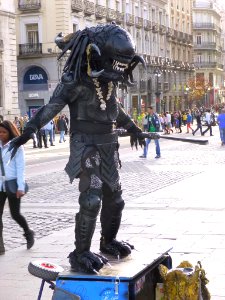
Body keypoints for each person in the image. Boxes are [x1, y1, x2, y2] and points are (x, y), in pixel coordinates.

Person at [9, 24, 146, 273]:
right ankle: (81, 252)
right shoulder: (75, 81)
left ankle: (108, 241)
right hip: (86, 146)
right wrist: (29, 129)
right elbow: (51, 107)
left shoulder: (108, 82)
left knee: (116, 198)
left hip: (108, 145)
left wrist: (134, 127)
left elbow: (114, 109)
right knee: (92, 199)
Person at [0, 121, 34, 255]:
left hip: (13, 184)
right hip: (0, 185)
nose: (1, 135)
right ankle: (0, 246)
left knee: (15, 214)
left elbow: (21, 169)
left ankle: (28, 232)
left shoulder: (16, 147)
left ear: (10, 132)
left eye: (4, 132)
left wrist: (21, 187)